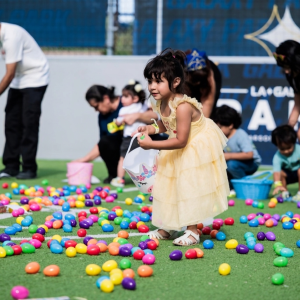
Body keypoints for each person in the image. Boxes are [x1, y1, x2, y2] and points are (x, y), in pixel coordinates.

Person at [134, 48, 229, 246]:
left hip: (195, 145)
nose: (152, 86)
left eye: (158, 81)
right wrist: (151, 128)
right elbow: (167, 124)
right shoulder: (161, 102)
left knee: (188, 187)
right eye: (150, 81)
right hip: (179, 142)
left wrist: (152, 144)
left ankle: (192, 231)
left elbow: (181, 140)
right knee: (167, 185)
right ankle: (166, 226)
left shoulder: (183, 106)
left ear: (175, 82)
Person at [74, 85, 158, 183]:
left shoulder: (127, 102)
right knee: (105, 141)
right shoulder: (102, 117)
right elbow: (102, 144)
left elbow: (155, 117)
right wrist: (84, 159)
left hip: (143, 142)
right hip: (123, 146)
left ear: (106, 98)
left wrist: (137, 116)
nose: (96, 110)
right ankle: (115, 175)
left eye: (96, 106)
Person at [0, 22, 49, 179]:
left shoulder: (11, 37)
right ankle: (11, 166)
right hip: (19, 79)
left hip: (35, 77)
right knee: (11, 122)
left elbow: (9, 74)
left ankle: (29, 168)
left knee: (29, 123)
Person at [213, 105, 261, 196]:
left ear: (230, 125)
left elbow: (249, 154)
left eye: (219, 127)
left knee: (231, 165)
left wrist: (228, 156)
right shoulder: (221, 137)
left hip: (251, 163)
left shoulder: (240, 135)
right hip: (234, 163)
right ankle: (231, 188)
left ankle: (245, 186)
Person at [110, 80, 147, 187]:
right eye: (122, 96)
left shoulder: (123, 110)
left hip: (128, 138)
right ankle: (143, 179)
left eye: (126, 96)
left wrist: (117, 122)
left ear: (135, 98)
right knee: (141, 158)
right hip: (141, 136)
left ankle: (120, 179)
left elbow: (118, 122)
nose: (122, 99)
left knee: (123, 158)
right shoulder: (142, 106)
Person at [273, 40, 300, 139]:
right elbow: (297, 106)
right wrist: (288, 130)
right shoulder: (293, 77)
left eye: (289, 67)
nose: (287, 71)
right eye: (284, 67)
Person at [184, 49, 222, 118]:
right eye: (195, 80)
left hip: (206, 85)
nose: (198, 83)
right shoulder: (176, 73)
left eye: (200, 79)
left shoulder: (212, 75)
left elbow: (206, 110)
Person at [271, 125, 300, 201]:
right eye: (282, 149)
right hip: (288, 175)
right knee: (281, 173)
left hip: (298, 173)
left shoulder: (299, 150)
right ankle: (285, 193)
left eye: (289, 147)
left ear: (293, 142)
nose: (286, 151)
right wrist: (277, 185)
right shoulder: (277, 157)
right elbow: (276, 173)